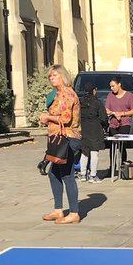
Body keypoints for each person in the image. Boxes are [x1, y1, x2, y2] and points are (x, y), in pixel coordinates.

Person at [39, 65, 82, 223]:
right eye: (50, 76)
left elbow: (65, 118)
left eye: (55, 75)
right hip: (58, 139)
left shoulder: (67, 93)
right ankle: (58, 210)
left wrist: (47, 117)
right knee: (53, 173)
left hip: (68, 139)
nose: (51, 78)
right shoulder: (58, 94)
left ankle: (74, 213)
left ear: (62, 76)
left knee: (67, 175)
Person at [105, 75, 133, 167]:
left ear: (119, 84)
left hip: (125, 123)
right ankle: (112, 167)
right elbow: (106, 109)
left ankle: (123, 165)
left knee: (122, 145)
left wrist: (122, 114)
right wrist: (114, 113)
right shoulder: (110, 95)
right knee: (112, 146)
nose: (112, 88)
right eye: (110, 86)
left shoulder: (129, 95)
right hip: (113, 124)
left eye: (113, 86)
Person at [79, 86, 108, 183]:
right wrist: (105, 126)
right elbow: (104, 118)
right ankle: (93, 175)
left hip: (83, 129)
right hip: (95, 130)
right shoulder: (97, 103)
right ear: (94, 91)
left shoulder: (80, 102)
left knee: (84, 152)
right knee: (94, 153)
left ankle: (83, 174)